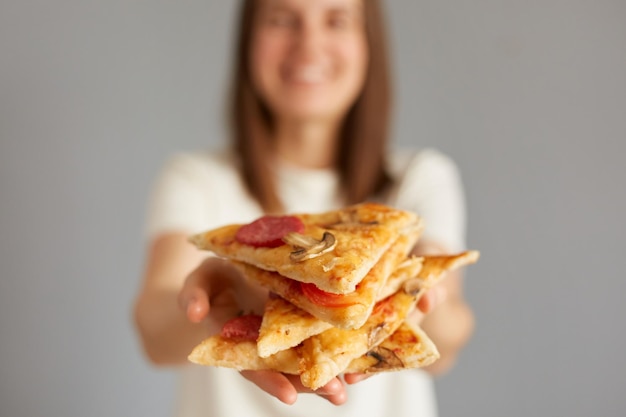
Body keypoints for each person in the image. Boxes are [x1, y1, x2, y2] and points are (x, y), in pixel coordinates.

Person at [133, 0, 475, 416]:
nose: (309, 46)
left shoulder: (419, 178)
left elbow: (451, 337)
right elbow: (153, 330)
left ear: (368, 41)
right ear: (248, 40)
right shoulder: (195, 178)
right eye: (282, 19)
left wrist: (402, 299)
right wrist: (220, 300)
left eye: (336, 20)